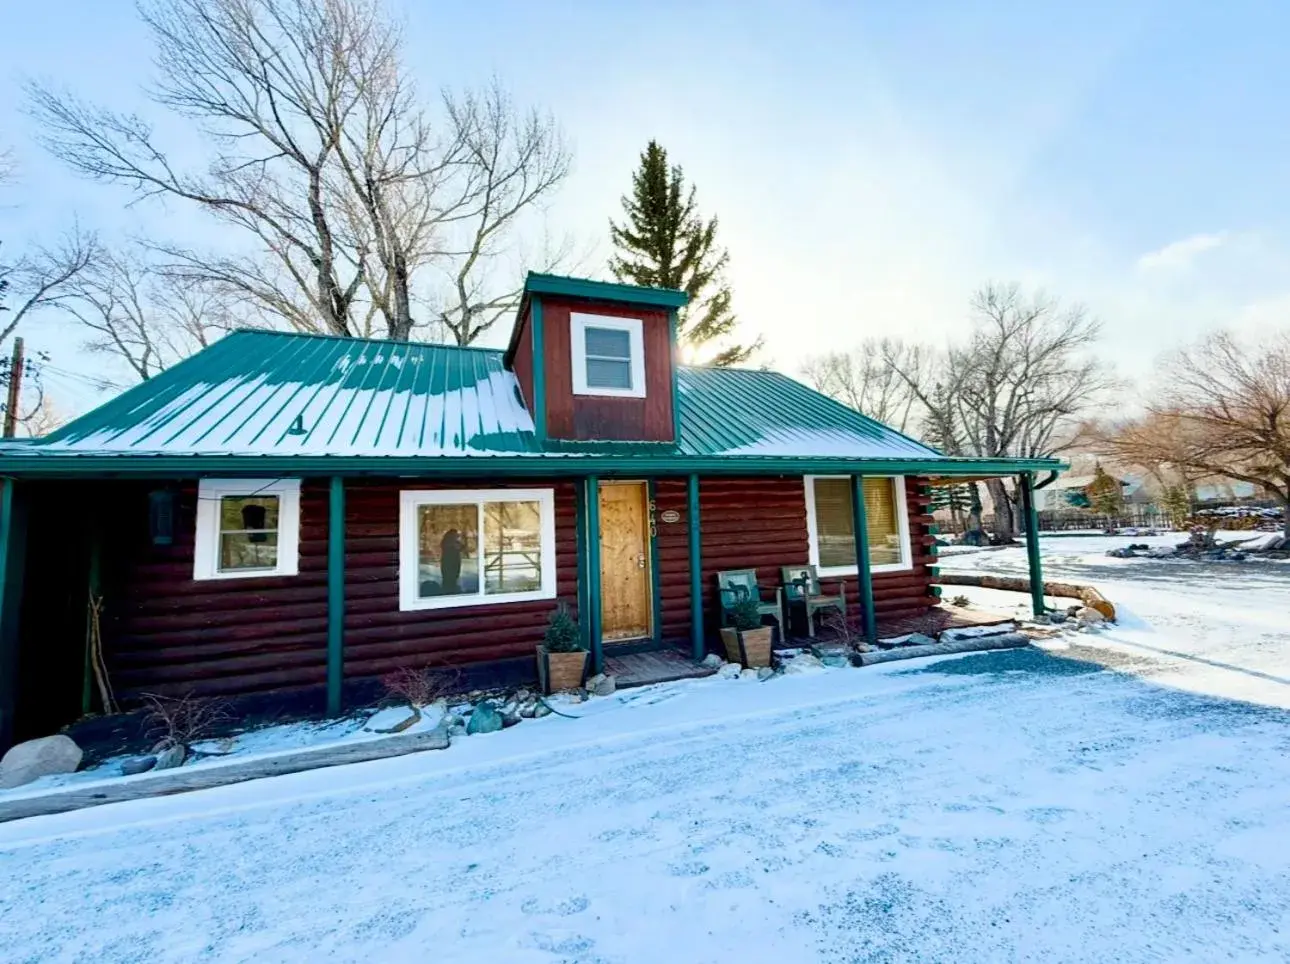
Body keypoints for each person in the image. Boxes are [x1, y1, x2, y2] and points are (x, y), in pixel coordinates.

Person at [440, 528, 463, 594]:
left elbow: (461, 547)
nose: (457, 536)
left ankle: (450, 591)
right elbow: (458, 547)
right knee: (449, 579)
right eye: (455, 534)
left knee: (451, 580)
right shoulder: (448, 542)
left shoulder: (453, 542)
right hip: (449, 564)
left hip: (452, 564)